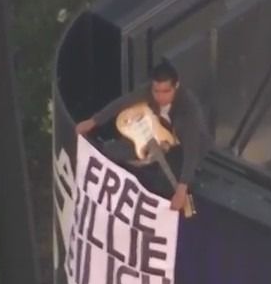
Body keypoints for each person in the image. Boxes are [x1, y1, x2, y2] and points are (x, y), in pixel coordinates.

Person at [76, 61, 214, 213]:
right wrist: (93, 121)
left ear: (176, 86)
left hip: (182, 146)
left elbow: (191, 151)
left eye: (166, 91)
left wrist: (182, 188)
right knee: (112, 151)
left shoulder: (188, 111)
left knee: (166, 183)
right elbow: (122, 103)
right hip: (158, 136)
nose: (160, 97)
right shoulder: (148, 93)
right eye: (156, 91)